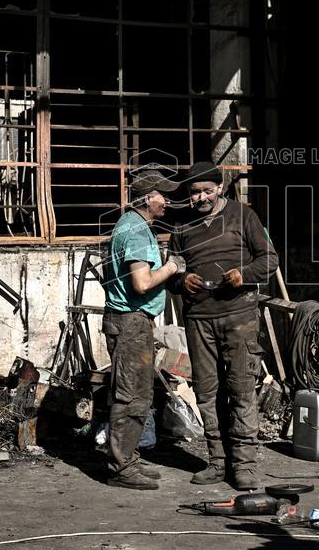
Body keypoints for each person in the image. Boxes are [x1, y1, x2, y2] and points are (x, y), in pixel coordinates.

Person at [168, 161, 279, 490]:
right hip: (199, 319)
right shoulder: (181, 224)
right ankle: (217, 462)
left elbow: (270, 259)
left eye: (206, 191)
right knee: (207, 393)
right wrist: (180, 279)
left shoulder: (244, 216)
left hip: (239, 316)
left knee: (241, 390)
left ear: (220, 188)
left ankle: (244, 464)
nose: (200, 197)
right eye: (194, 193)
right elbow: (173, 270)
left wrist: (243, 275)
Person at [101, 168, 185, 490]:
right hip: (131, 322)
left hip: (132, 322)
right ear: (148, 197)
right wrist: (173, 267)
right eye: (163, 195)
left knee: (138, 394)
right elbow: (141, 282)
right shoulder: (135, 230)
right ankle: (121, 467)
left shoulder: (135, 226)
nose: (168, 201)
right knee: (130, 396)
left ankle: (128, 458)